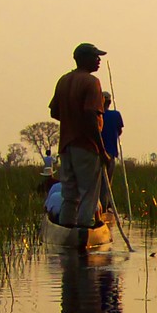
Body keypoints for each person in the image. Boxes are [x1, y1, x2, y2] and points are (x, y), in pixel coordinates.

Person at [47, 42, 110, 227]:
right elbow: (91, 116)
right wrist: (101, 149)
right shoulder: (92, 82)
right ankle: (84, 229)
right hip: (86, 145)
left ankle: (67, 228)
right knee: (88, 193)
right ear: (83, 59)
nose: (98, 60)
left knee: (69, 193)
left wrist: (70, 119)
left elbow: (54, 112)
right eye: (95, 57)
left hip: (66, 146)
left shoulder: (64, 80)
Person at [97, 93, 124, 214]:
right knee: (107, 182)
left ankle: (99, 208)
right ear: (109, 103)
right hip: (110, 153)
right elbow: (119, 131)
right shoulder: (115, 115)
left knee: (96, 182)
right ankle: (104, 207)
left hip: (96, 153)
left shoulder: (97, 115)